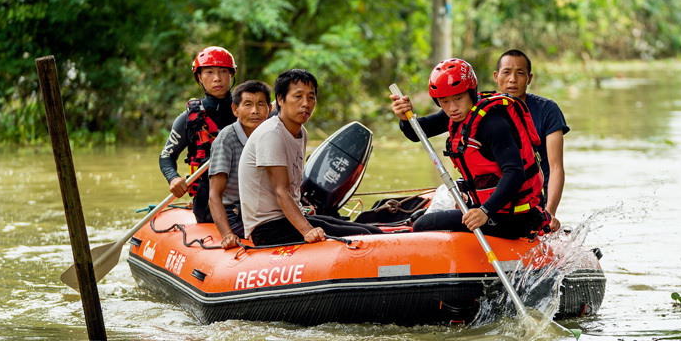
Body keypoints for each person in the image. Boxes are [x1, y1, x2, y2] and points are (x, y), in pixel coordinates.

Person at [392, 49, 568, 231]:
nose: (452, 107)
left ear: (471, 92)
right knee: (418, 216)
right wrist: (405, 118)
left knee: (424, 224)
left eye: (458, 98)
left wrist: (484, 211)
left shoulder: (492, 123)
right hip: (491, 207)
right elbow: (417, 133)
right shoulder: (458, 112)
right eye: (444, 101)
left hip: (514, 215)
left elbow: (515, 173)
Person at [238, 69, 383, 246]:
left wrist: (304, 209)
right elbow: (281, 191)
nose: (305, 104)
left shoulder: (301, 132)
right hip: (268, 228)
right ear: (281, 100)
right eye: (298, 96)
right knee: (364, 236)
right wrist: (307, 230)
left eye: (311, 97)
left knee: (372, 232)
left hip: (288, 219)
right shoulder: (271, 134)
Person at [159, 46, 238, 224]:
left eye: (223, 71)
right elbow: (166, 157)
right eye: (209, 72)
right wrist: (173, 177)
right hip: (207, 202)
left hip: (246, 196)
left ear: (231, 75)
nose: (217, 78)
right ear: (199, 77)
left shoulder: (248, 111)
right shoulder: (188, 119)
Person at [493, 49, 568, 231]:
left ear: (529, 78)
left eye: (520, 73)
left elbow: (556, 166)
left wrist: (549, 211)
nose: (512, 79)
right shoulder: (485, 110)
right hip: (497, 195)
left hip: (534, 197)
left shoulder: (547, 110)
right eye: (507, 72)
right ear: (496, 76)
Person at [207, 80, 272, 249]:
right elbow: (214, 195)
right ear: (235, 109)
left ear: (269, 109)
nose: (255, 111)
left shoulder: (272, 135)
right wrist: (227, 235)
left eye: (260, 105)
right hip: (236, 213)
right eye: (248, 104)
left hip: (266, 209)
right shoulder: (226, 139)